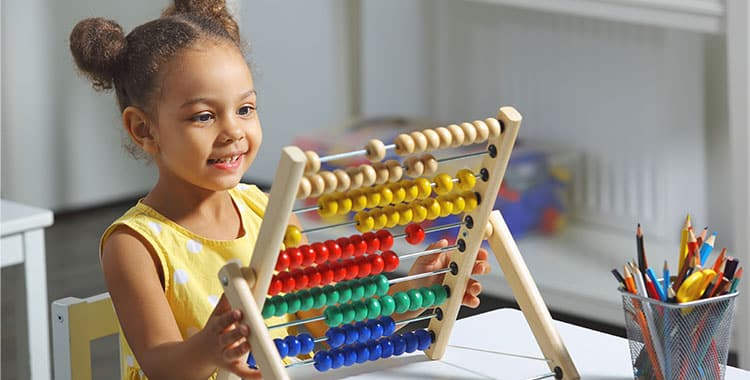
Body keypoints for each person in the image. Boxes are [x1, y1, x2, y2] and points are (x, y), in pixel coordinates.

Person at [69, 1, 489, 379]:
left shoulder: (266, 212)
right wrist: (209, 349)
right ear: (143, 129)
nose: (233, 130)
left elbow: (325, 325)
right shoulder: (134, 245)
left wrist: (414, 292)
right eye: (202, 116)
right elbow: (161, 366)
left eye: (245, 109)